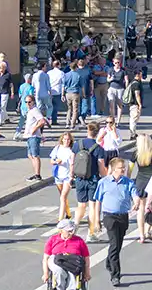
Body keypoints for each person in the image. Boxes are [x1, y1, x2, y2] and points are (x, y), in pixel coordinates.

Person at [94, 157, 139, 286]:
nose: (123, 170)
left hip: (123, 216)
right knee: (114, 244)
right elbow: (98, 200)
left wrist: (136, 202)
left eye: (124, 168)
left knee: (118, 244)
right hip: (109, 216)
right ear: (113, 169)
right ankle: (115, 275)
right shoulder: (104, 182)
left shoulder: (128, 182)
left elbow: (134, 194)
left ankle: (109, 261)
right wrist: (97, 219)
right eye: (121, 168)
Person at [73, 121, 108, 242]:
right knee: (92, 206)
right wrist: (106, 178)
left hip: (79, 178)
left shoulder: (78, 144)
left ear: (87, 130)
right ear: (97, 132)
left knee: (81, 205)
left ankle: (74, 227)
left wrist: (72, 175)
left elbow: (73, 162)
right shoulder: (99, 148)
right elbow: (101, 167)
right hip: (93, 179)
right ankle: (90, 233)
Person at [42, 219, 91, 290]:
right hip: (56, 259)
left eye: (72, 230)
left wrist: (87, 273)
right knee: (59, 271)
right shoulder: (53, 239)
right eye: (69, 231)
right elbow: (46, 258)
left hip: (73, 261)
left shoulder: (79, 240)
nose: (71, 233)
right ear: (61, 231)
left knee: (73, 274)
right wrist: (46, 273)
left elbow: (86, 257)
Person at [129, 134, 152, 243]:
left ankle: (142, 235)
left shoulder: (136, 154)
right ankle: (148, 229)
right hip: (151, 182)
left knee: (140, 210)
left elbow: (129, 169)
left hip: (140, 182)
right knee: (150, 207)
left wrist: (128, 182)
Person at [50, 132, 76, 222]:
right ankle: (68, 213)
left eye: (68, 139)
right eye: (64, 139)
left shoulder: (72, 150)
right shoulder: (57, 148)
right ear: (62, 139)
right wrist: (57, 161)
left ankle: (60, 219)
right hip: (58, 175)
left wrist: (72, 175)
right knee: (62, 196)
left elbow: (74, 163)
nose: (66, 141)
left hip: (67, 176)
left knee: (63, 196)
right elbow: (51, 161)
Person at [24, 95, 49, 182]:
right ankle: (35, 173)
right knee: (30, 155)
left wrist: (35, 129)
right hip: (29, 136)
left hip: (34, 136)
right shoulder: (30, 111)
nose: (28, 104)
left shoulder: (35, 110)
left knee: (35, 155)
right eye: (26, 102)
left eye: (29, 102)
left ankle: (37, 175)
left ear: (33, 102)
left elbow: (42, 120)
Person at [123, 74, 143, 139]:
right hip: (134, 104)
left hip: (131, 104)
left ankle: (133, 133)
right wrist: (140, 104)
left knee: (133, 119)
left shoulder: (132, 82)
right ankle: (132, 135)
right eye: (141, 75)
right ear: (137, 75)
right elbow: (137, 95)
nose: (141, 76)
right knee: (133, 120)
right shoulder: (136, 84)